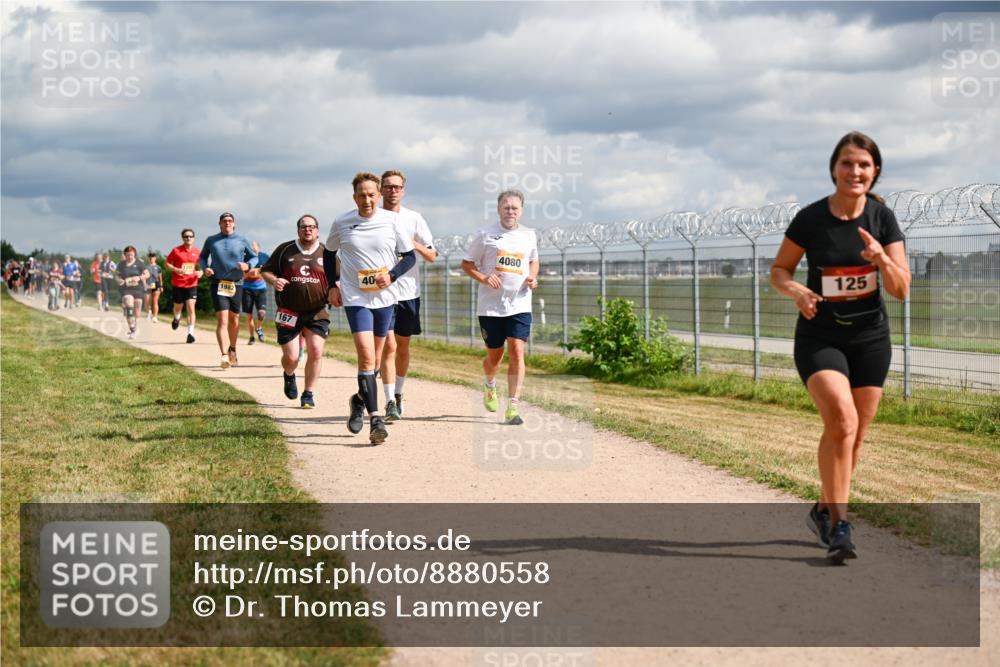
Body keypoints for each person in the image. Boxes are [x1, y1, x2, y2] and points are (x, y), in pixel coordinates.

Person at [770, 131, 910, 564]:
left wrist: (881, 260)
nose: (855, 172)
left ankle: (822, 509)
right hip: (821, 335)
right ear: (834, 169)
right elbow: (778, 269)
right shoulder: (811, 219)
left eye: (864, 165)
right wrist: (795, 290)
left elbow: (901, 289)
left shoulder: (882, 220)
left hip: (870, 339)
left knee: (854, 436)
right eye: (848, 163)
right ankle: (841, 527)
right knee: (842, 421)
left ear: (876, 172)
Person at [325, 172, 416, 445]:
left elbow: (409, 257)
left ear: (379, 195)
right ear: (355, 197)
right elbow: (329, 253)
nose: (367, 199)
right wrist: (333, 285)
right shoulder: (342, 222)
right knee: (366, 358)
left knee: (376, 362)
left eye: (371, 194)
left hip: (386, 298)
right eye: (361, 195)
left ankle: (358, 400)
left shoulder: (392, 221)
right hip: (356, 298)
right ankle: (375, 419)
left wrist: (392, 275)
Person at [461, 189, 539, 426]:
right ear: (498, 209)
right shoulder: (485, 234)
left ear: (521, 210)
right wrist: (483, 277)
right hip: (490, 307)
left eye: (515, 207)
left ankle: (513, 407)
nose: (510, 211)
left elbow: (533, 260)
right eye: (506, 207)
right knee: (494, 357)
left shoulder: (529, 235)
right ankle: (490, 384)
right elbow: (466, 264)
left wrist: (533, 277)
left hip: (520, 303)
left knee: (517, 351)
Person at [378, 169, 436, 421]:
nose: (392, 191)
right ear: (380, 190)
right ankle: (389, 400)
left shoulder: (414, 218)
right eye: (388, 187)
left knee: (402, 346)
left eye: (397, 187)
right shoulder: (373, 218)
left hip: (409, 293)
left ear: (403, 190)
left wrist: (414, 244)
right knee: (388, 345)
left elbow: (433, 255)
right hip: (381, 293)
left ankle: (399, 393)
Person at [261, 215, 329, 409]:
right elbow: (265, 271)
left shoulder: (327, 252)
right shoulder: (285, 250)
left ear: (317, 230)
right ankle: (289, 374)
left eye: (311, 227)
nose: (307, 230)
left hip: (317, 310)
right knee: (291, 358)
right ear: (298, 230)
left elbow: (339, 277)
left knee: (316, 351)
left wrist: (338, 290)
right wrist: (274, 281)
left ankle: (308, 393)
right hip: (289, 310)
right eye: (303, 227)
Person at [199, 212, 258, 368]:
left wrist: (248, 265)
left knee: (234, 319)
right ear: (219, 224)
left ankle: (232, 348)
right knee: (223, 320)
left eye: (230, 221)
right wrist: (205, 268)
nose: (227, 223)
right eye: (224, 221)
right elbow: (203, 257)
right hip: (217, 282)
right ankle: (224, 355)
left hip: (236, 283)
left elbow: (254, 257)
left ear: (234, 224)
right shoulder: (211, 240)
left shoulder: (242, 239)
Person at [166, 229, 202, 343]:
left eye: (191, 236)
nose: (188, 238)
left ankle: (190, 333)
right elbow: (167, 263)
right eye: (186, 236)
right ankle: (177, 318)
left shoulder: (197, 252)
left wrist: (200, 272)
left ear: (194, 238)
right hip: (178, 283)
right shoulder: (176, 251)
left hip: (192, 284)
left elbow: (202, 266)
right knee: (178, 307)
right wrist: (175, 269)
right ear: (183, 238)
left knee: (191, 308)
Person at [115, 246, 150, 340]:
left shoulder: (140, 263)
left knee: (137, 312)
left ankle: (134, 325)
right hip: (126, 289)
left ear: (134, 254)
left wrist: (139, 278)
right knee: (129, 304)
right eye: (128, 255)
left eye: (132, 255)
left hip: (138, 288)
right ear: (125, 255)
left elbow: (147, 274)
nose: (130, 256)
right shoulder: (121, 264)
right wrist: (119, 281)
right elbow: (117, 276)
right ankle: (132, 329)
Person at [243, 240, 269, 346]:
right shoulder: (244, 258)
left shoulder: (264, 257)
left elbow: (269, 271)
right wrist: (249, 273)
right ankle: (251, 337)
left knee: (262, 313)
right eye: (250, 247)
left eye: (254, 247)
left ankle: (259, 327)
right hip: (247, 288)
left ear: (258, 247)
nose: (252, 248)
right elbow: (241, 275)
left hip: (261, 288)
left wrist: (259, 272)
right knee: (249, 316)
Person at [145, 252, 163, 321]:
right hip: (148, 284)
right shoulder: (146, 267)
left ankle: (155, 316)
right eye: (150, 257)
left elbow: (160, 278)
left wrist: (161, 286)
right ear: (149, 258)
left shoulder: (158, 267)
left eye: (153, 257)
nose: (151, 258)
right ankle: (149, 313)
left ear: (155, 258)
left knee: (155, 300)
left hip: (156, 284)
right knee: (147, 300)